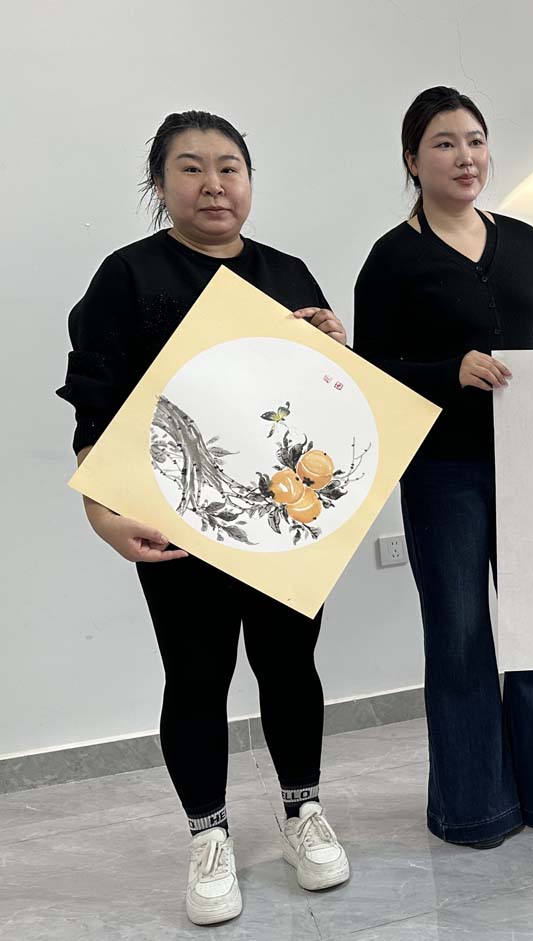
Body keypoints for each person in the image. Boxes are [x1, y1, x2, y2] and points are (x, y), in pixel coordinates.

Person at [56, 111, 351, 925]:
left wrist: (337, 347)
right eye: (190, 168)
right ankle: (208, 833)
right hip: (176, 521)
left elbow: (322, 400)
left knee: (289, 665)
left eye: (229, 167)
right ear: (159, 185)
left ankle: (302, 811)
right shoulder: (128, 276)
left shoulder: (287, 271)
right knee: (195, 675)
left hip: (284, 518)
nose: (213, 184)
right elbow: (96, 404)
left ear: (250, 180)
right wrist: (101, 512)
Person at [353, 87, 533, 849]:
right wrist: (447, 371)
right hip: (442, 471)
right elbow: (370, 374)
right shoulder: (391, 259)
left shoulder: (522, 240)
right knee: (459, 633)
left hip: (530, 462)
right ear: (412, 160)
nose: (465, 157)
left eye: (476, 140)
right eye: (445, 143)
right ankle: (473, 807)